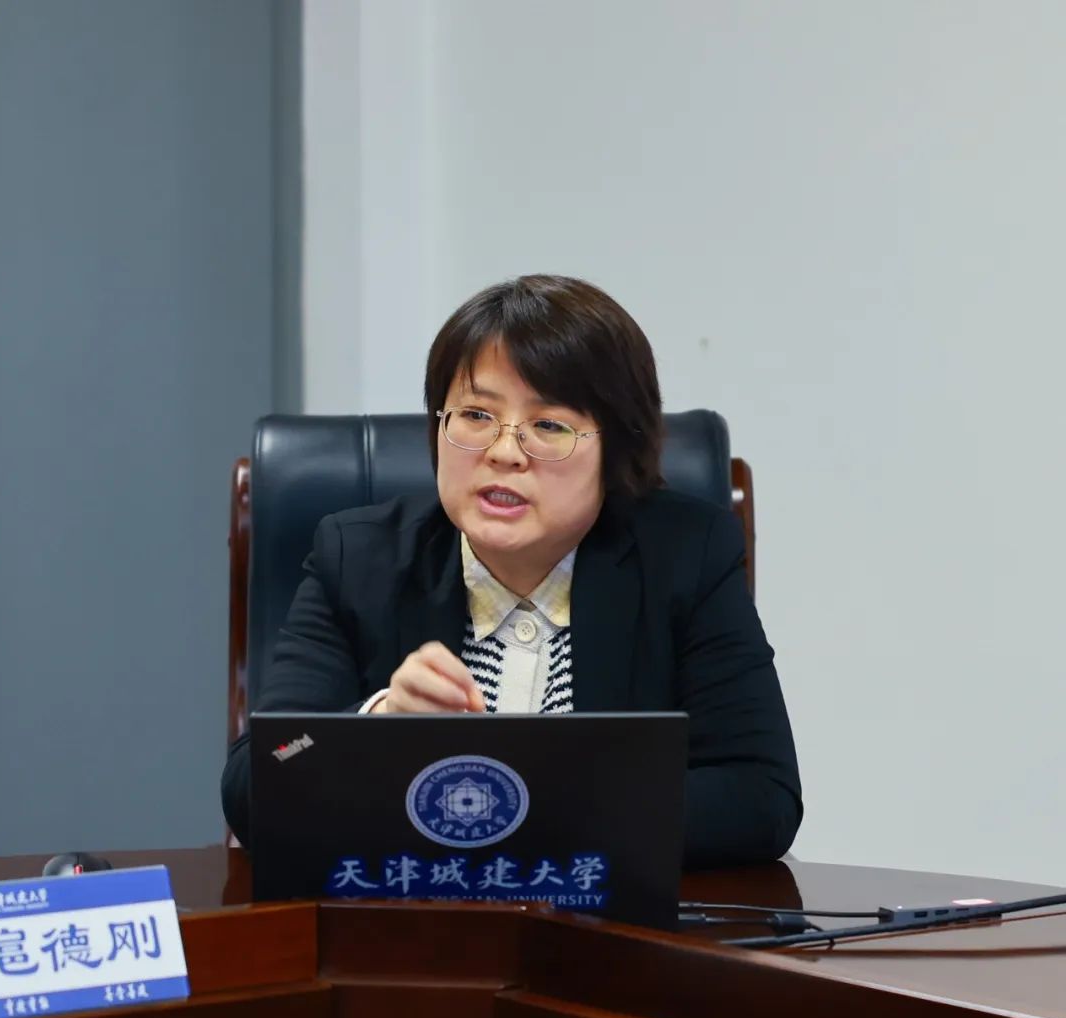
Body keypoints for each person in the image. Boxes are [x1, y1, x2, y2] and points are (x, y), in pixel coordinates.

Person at [221, 274, 802, 864]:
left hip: (604, 914)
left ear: (616, 451)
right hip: (408, 913)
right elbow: (262, 774)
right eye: (475, 414)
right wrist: (378, 725)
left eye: (549, 425)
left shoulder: (684, 555)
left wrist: (534, 807)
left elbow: (762, 796)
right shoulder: (357, 559)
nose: (503, 452)